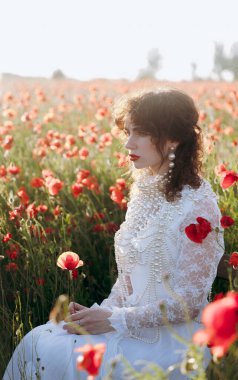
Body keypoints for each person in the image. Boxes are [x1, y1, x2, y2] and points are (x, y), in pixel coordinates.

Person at [4, 88, 224, 380]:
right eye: (127, 132)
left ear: (173, 139)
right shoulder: (145, 192)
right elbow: (128, 281)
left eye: (140, 133)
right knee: (38, 341)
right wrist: (95, 315)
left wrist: (113, 319)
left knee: (59, 353)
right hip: (127, 322)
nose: (127, 143)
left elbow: (191, 300)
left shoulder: (199, 205)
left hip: (173, 340)